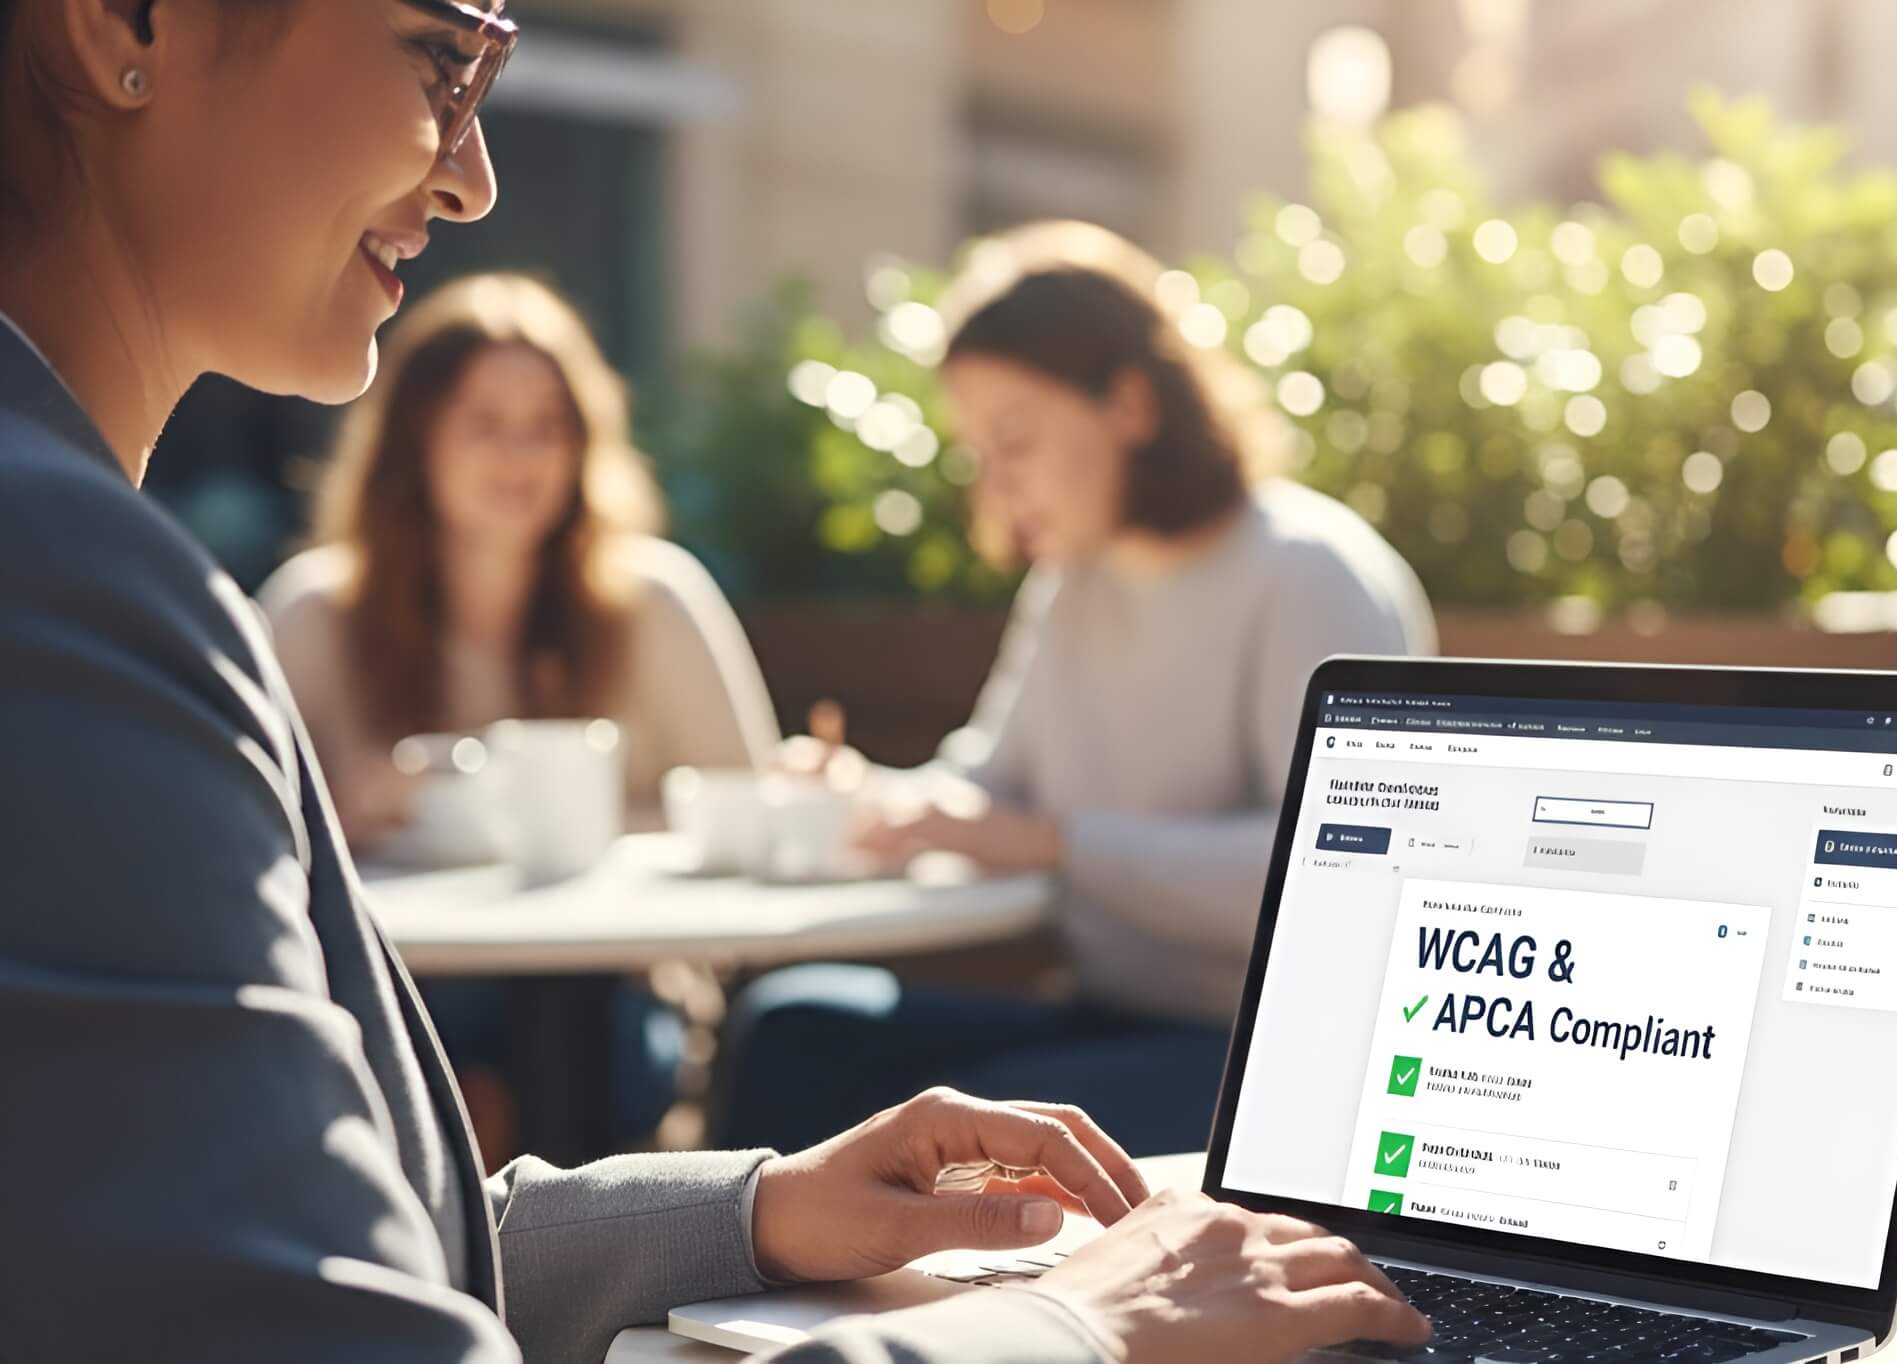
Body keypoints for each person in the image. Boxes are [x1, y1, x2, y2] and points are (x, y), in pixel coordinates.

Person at [0, 4, 1429, 1364]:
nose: (478, 176)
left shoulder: (1299, 572)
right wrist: (1079, 1329)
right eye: (442, 53)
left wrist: (750, 1213)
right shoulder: (61, 580)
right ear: (131, 15)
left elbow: (347, 1256)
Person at [719, 223, 1435, 1157]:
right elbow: (988, 779)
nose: (994, 486)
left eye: (1014, 440)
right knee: (794, 1027)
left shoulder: (1309, 576)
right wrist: (873, 798)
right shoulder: (1072, 584)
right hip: (1113, 1017)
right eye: (977, 452)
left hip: (1285, 1067)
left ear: (1130, 403)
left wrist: (1057, 845)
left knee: (1005, 1113)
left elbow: (1340, 875)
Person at [259, 271, 779, 1162]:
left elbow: (751, 819)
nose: (522, 457)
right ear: (413, 441)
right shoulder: (314, 616)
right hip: (396, 993)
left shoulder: (655, 602)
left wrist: (585, 829)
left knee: (566, 1014)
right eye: (486, 425)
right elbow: (245, 844)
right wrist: (347, 817)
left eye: (549, 427)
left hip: (613, 995)